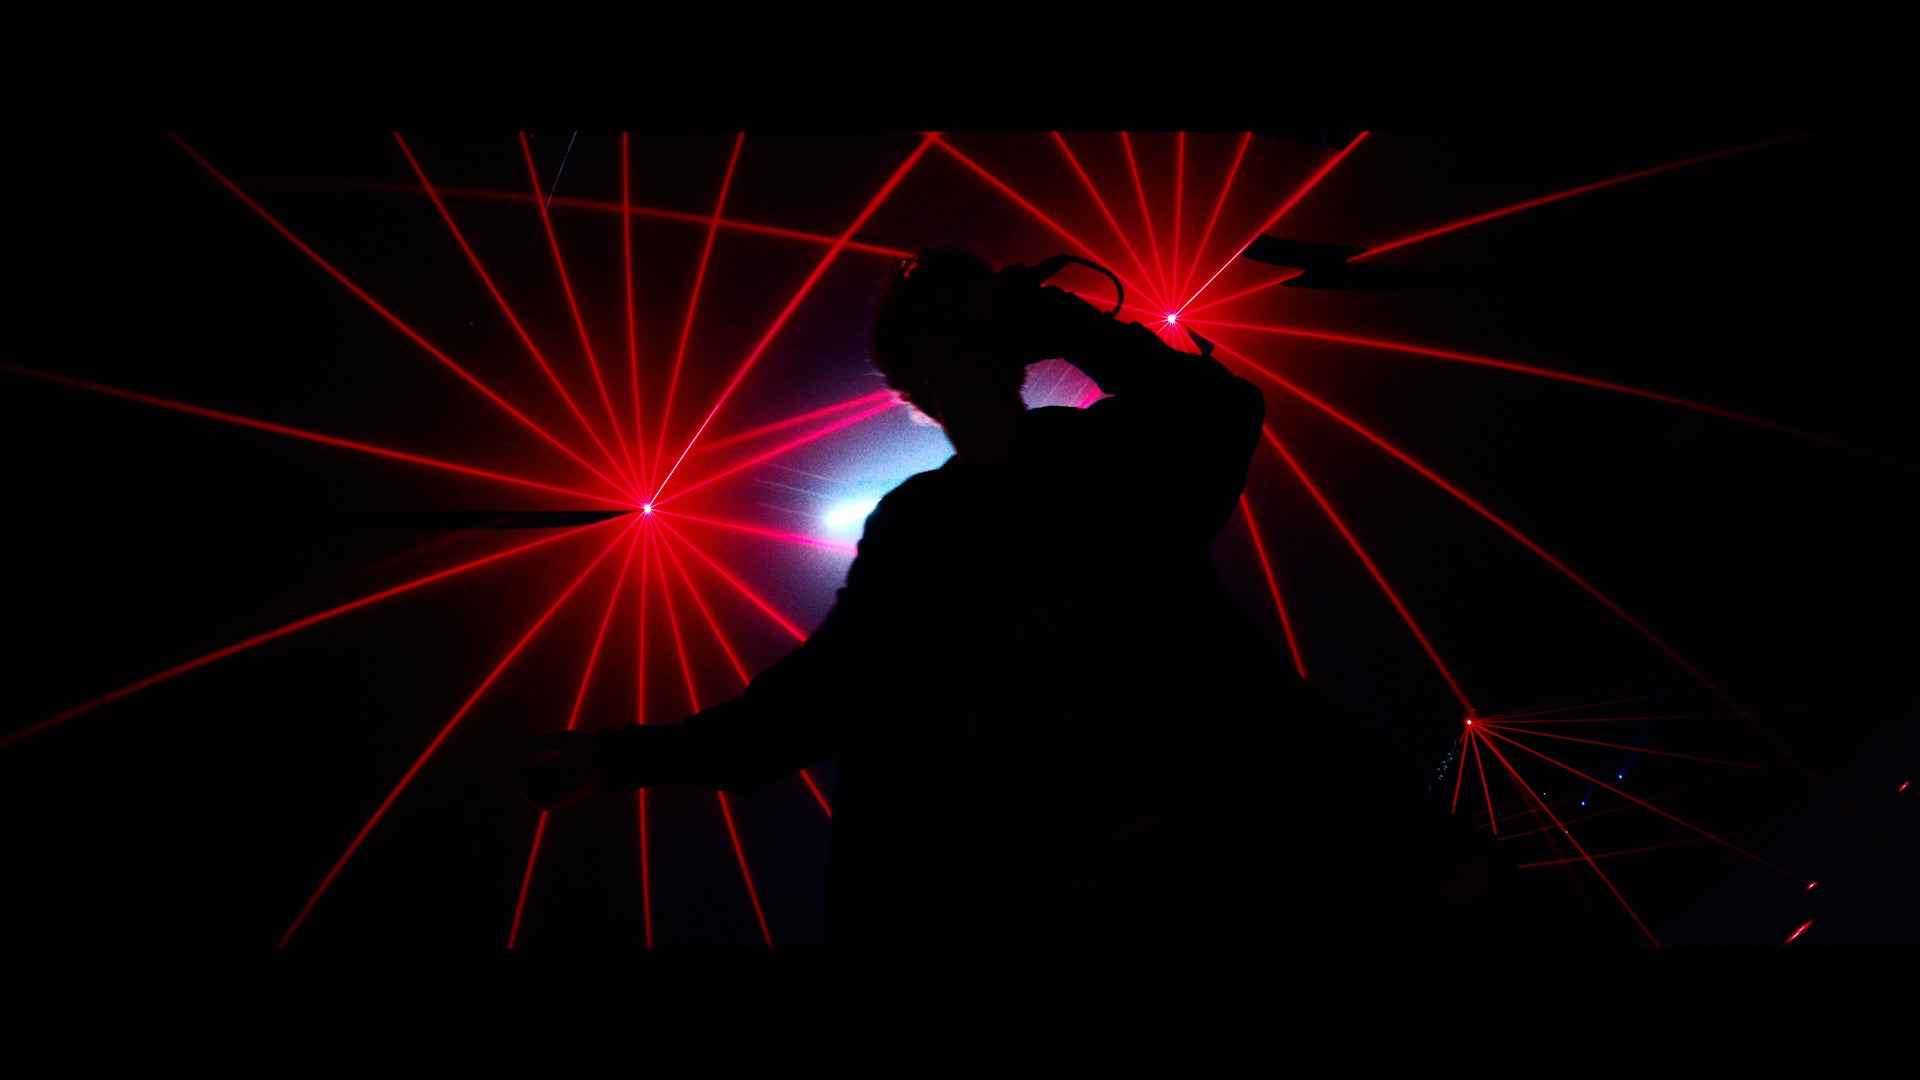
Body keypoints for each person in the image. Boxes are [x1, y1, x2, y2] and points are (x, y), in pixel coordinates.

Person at [510, 248, 1518, 946]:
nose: (972, 336)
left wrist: (1070, 325)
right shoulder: (923, 527)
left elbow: (1216, 409)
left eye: (976, 318)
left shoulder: (1101, 461)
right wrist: (622, 757)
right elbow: (816, 698)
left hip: (1228, 862)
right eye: (950, 326)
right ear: (917, 375)